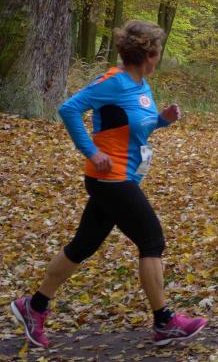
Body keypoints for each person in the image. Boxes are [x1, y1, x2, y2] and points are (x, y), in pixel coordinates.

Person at [9, 20, 207, 348]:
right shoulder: (113, 82)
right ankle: (164, 322)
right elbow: (68, 109)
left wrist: (162, 121)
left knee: (82, 246)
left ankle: (34, 307)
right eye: (158, 51)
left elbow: (137, 127)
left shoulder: (141, 84)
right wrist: (91, 151)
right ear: (148, 54)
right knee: (152, 240)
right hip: (111, 179)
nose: (159, 57)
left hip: (123, 177)